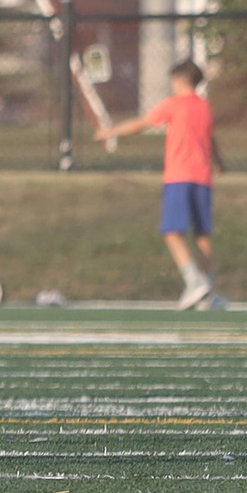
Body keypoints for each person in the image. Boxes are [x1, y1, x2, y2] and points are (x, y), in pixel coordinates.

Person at [98, 58, 227, 310]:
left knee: (171, 231)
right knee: (202, 235)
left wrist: (110, 132)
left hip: (179, 176)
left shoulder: (173, 105)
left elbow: (142, 124)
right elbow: (210, 139)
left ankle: (194, 282)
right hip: (202, 178)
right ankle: (207, 289)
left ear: (179, 80)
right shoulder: (204, 107)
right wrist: (218, 162)